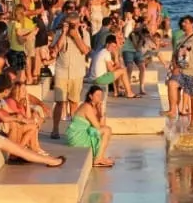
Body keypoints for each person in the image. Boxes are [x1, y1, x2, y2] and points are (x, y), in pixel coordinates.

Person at [50, 11, 89, 140]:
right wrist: (64, 33)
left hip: (77, 72)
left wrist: (75, 35)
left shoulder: (84, 33)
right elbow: (56, 49)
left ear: (78, 23)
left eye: (74, 24)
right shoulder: (60, 33)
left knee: (74, 102)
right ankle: (55, 129)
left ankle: (73, 131)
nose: (72, 26)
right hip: (62, 70)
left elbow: (85, 50)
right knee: (59, 102)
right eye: (69, 24)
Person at [164, 15, 193, 131]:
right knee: (172, 84)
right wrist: (175, 66)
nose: (183, 24)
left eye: (186, 22)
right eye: (182, 22)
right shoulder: (181, 38)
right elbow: (174, 54)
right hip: (180, 71)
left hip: (192, 72)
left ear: (192, 24)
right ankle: (173, 110)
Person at [66, 85, 115, 168]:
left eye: (101, 95)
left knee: (106, 130)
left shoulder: (94, 107)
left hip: (83, 133)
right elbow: (98, 127)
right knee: (107, 130)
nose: (100, 98)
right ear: (90, 96)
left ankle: (101, 157)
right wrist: (101, 115)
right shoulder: (87, 107)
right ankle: (98, 159)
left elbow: (102, 126)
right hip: (77, 136)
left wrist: (100, 112)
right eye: (97, 95)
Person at [88, 33, 137, 98]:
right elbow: (111, 70)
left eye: (114, 46)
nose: (113, 48)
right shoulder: (106, 53)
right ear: (107, 44)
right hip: (99, 79)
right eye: (112, 46)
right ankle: (129, 93)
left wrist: (117, 65)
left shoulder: (102, 51)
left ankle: (116, 92)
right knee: (123, 70)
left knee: (119, 70)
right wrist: (116, 58)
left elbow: (112, 68)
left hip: (96, 77)